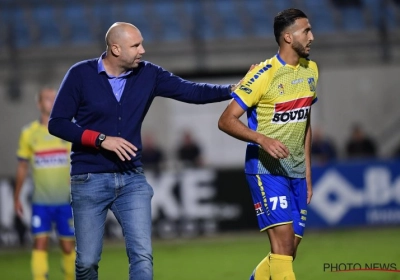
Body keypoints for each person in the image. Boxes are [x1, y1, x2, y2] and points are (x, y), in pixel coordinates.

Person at [48, 22, 242, 280]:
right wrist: (101, 139)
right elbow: (57, 123)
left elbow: (190, 90)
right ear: (115, 49)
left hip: (132, 179)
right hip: (89, 180)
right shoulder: (80, 74)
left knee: (141, 255)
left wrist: (231, 90)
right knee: (87, 262)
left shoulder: (149, 74)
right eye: (136, 45)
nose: (143, 50)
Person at [218, 9, 317, 280]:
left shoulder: (312, 70)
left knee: (287, 251)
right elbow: (226, 120)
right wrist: (262, 139)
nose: (312, 36)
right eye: (306, 31)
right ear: (287, 37)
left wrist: (307, 171)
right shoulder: (263, 73)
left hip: (296, 172)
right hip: (265, 170)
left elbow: (305, 122)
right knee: (283, 248)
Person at [14, 87, 75, 280]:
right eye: (47, 99)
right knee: (39, 243)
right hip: (41, 202)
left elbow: (77, 162)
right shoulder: (29, 133)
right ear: (39, 104)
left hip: (66, 201)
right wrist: (16, 197)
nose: (52, 102)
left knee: (67, 246)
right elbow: (22, 167)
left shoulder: (67, 130)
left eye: (54, 98)